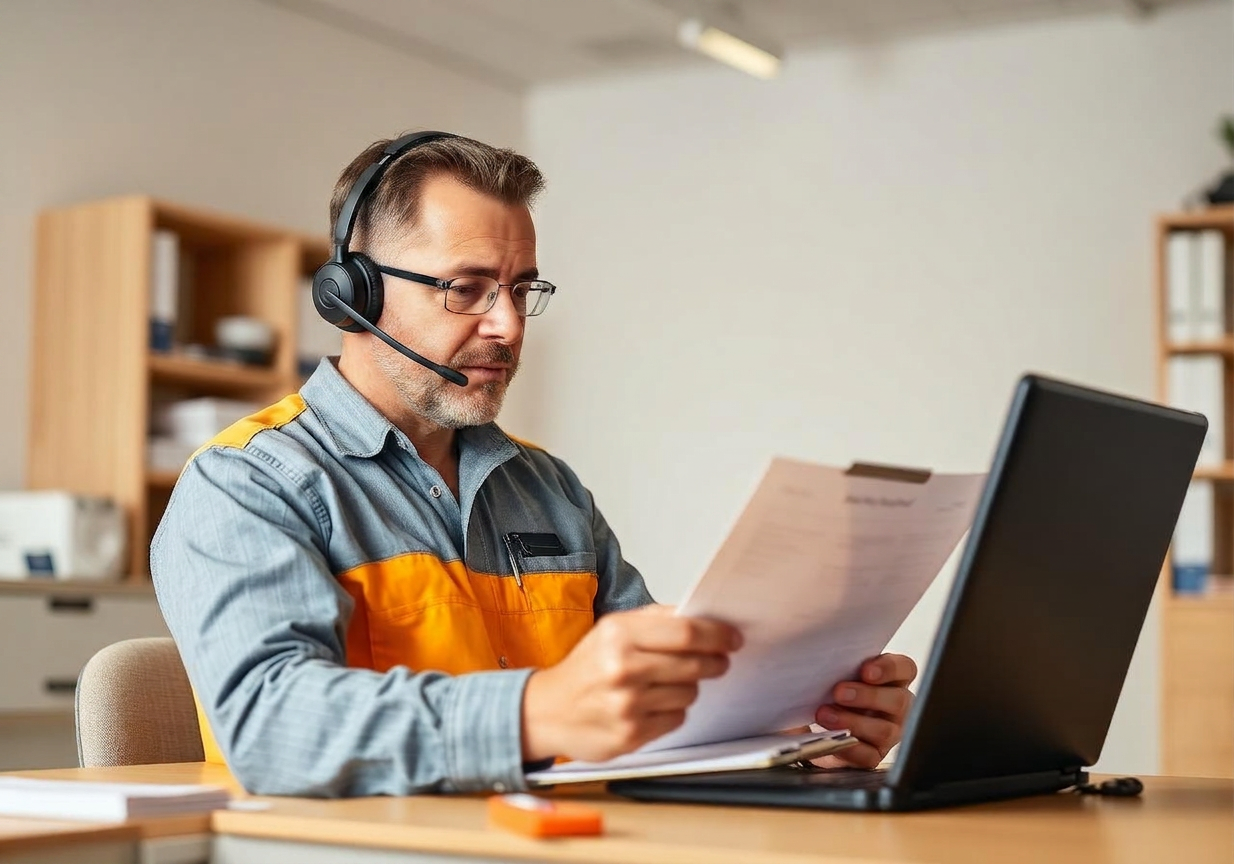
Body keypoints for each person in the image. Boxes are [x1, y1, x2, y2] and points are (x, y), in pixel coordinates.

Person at [151, 132, 918, 797]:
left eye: (521, 289)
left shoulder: (547, 488)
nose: (508, 326)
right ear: (354, 294)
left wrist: (801, 736)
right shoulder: (247, 483)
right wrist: (534, 712)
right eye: (467, 289)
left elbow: (657, 714)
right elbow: (269, 725)